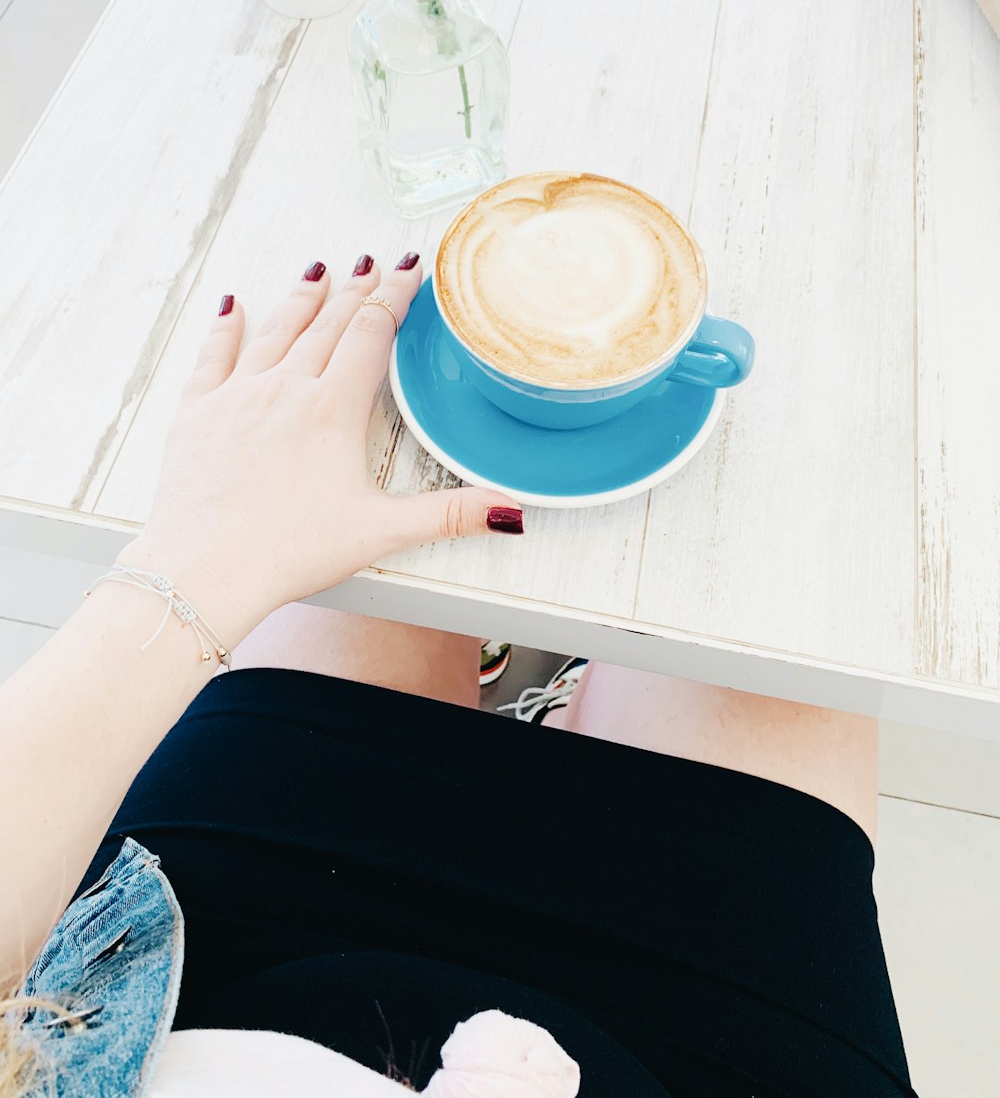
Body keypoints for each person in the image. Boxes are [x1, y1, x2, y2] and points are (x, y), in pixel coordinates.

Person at [0, 253, 915, 1097]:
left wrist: (195, 559)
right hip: (724, 1051)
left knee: (379, 480)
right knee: (782, 525)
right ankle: (556, 714)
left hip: (197, 959)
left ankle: (508, 703)